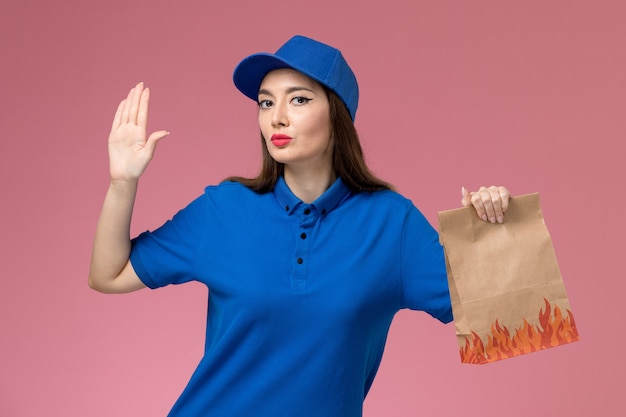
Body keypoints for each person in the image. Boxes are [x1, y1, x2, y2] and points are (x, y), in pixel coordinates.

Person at [89, 35, 510, 416]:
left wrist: (495, 230)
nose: (277, 117)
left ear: (338, 114)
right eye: (266, 102)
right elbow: (108, 275)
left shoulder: (391, 224)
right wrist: (121, 183)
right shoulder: (224, 209)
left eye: (300, 100)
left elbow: (504, 321)